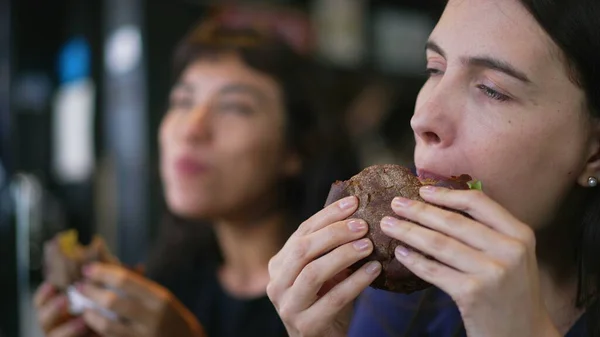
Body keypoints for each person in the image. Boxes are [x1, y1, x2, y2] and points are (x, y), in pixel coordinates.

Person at [266, 0, 600, 336]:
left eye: (492, 89)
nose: (421, 119)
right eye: (434, 69)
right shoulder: (401, 295)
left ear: (595, 152)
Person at [33, 22, 357, 337]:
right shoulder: (167, 285)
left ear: (295, 149)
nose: (191, 128)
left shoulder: (341, 299)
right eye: (183, 102)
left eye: (234, 107)